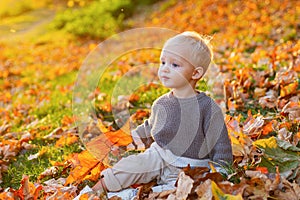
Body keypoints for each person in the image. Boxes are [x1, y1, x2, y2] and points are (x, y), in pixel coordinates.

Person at [92, 31, 233, 194]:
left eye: (174, 65)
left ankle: (131, 195)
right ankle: (94, 191)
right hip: (158, 156)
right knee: (129, 167)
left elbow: (221, 144)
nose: (165, 69)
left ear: (195, 73)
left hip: (190, 169)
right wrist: (126, 141)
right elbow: (150, 128)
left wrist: (221, 172)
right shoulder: (162, 103)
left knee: (176, 192)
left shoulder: (207, 107)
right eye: (163, 62)